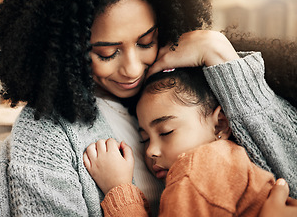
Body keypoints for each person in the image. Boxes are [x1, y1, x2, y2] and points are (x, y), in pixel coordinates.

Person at [0, 0, 297, 216]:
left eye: (146, 42)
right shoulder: (45, 136)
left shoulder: (190, 88)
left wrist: (219, 54)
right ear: (66, 51)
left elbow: (290, 180)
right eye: (108, 53)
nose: (133, 69)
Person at [83, 67, 297, 216]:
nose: (151, 151)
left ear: (220, 124)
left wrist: (118, 188)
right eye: (144, 139)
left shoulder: (195, 169)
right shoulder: (232, 161)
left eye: (166, 132)